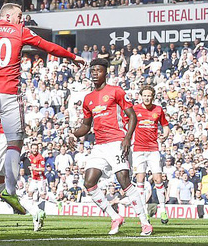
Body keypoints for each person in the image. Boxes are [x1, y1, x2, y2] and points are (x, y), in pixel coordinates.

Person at [0, 3, 84, 225]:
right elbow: (49, 47)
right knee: (8, 155)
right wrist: (72, 57)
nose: (22, 20)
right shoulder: (20, 31)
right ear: (7, 15)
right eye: (19, 16)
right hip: (8, 95)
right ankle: (24, 206)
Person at [68, 58, 152, 236]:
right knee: (89, 182)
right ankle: (115, 217)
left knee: (124, 182)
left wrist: (128, 138)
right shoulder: (88, 99)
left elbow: (133, 116)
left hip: (117, 142)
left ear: (106, 72)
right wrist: (73, 134)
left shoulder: (116, 91)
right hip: (100, 145)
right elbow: (85, 126)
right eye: (93, 71)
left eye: (98, 70)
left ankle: (145, 222)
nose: (95, 73)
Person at [131, 85, 170, 224]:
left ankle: (163, 210)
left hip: (153, 148)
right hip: (138, 149)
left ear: (153, 97)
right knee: (140, 179)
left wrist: (164, 136)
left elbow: (165, 125)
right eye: (145, 95)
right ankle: (144, 213)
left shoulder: (158, 110)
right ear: (141, 96)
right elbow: (126, 123)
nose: (147, 98)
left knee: (158, 179)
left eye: (149, 95)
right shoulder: (135, 109)